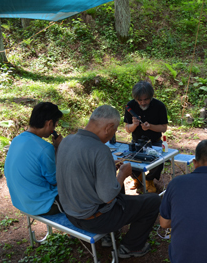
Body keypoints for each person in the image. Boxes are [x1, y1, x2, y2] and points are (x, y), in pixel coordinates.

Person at [56, 105, 161, 259]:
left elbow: (82, 171)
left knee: (124, 195)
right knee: (153, 201)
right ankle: (131, 247)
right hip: (94, 220)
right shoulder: (100, 150)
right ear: (109, 127)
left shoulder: (67, 141)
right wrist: (123, 175)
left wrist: (109, 167)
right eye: (115, 130)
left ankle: (110, 235)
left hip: (71, 213)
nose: (114, 133)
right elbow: (109, 197)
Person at [4, 102, 63, 216]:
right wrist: (57, 149)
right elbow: (55, 181)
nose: (54, 129)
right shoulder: (45, 149)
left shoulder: (16, 140)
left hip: (21, 202)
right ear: (49, 123)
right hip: (43, 205)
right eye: (54, 126)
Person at [124, 81, 168, 193]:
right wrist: (134, 125)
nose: (143, 102)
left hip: (154, 141)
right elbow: (127, 129)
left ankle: (149, 180)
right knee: (130, 160)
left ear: (151, 96)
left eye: (146, 99)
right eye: (140, 100)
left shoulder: (159, 106)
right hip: (137, 141)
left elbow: (163, 128)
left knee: (159, 161)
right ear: (135, 98)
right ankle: (137, 179)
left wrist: (150, 127)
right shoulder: (130, 106)